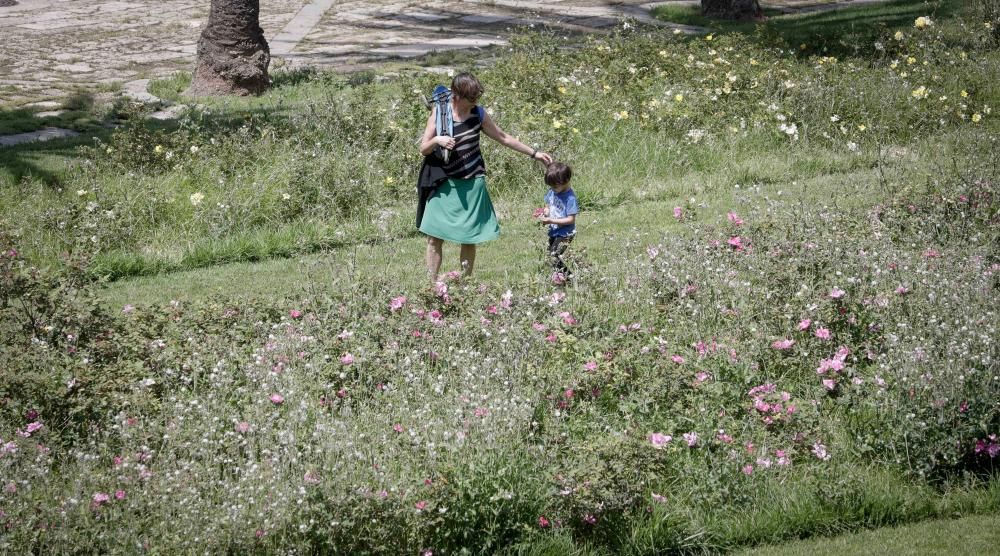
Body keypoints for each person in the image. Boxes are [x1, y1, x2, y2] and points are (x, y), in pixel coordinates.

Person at [418, 72, 552, 282]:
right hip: (444, 184)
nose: (475, 103)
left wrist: (534, 153)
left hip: (472, 183)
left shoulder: (478, 114)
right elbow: (423, 149)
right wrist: (438, 140)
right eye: (471, 99)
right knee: (434, 237)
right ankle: (431, 285)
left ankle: (465, 284)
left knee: (469, 238)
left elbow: (503, 137)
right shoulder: (439, 114)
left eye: (476, 99)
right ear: (457, 96)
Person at [537, 162, 578, 279]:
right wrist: (545, 211)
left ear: (565, 181)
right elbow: (548, 203)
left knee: (554, 255)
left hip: (565, 233)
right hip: (554, 231)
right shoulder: (553, 191)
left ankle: (568, 278)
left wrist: (551, 220)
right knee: (551, 255)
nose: (552, 189)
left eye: (555, 186)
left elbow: (571, 219)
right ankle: (561, 277)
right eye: (551, 186)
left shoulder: (570, 198)